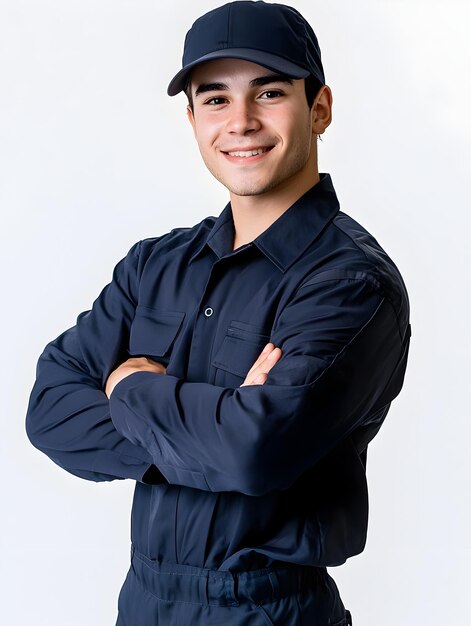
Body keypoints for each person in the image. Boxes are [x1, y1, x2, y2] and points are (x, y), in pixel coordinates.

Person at [25, 2, 411, 624]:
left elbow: (253, 454)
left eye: (269, 92)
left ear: (320, 108)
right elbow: (48, 412)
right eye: (215, 99)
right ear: (192, 118)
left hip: (270, 609)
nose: (241, 122)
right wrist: (209, 431)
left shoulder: (349, 284)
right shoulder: (155, 265)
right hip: (143, 604)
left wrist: (129, 385)